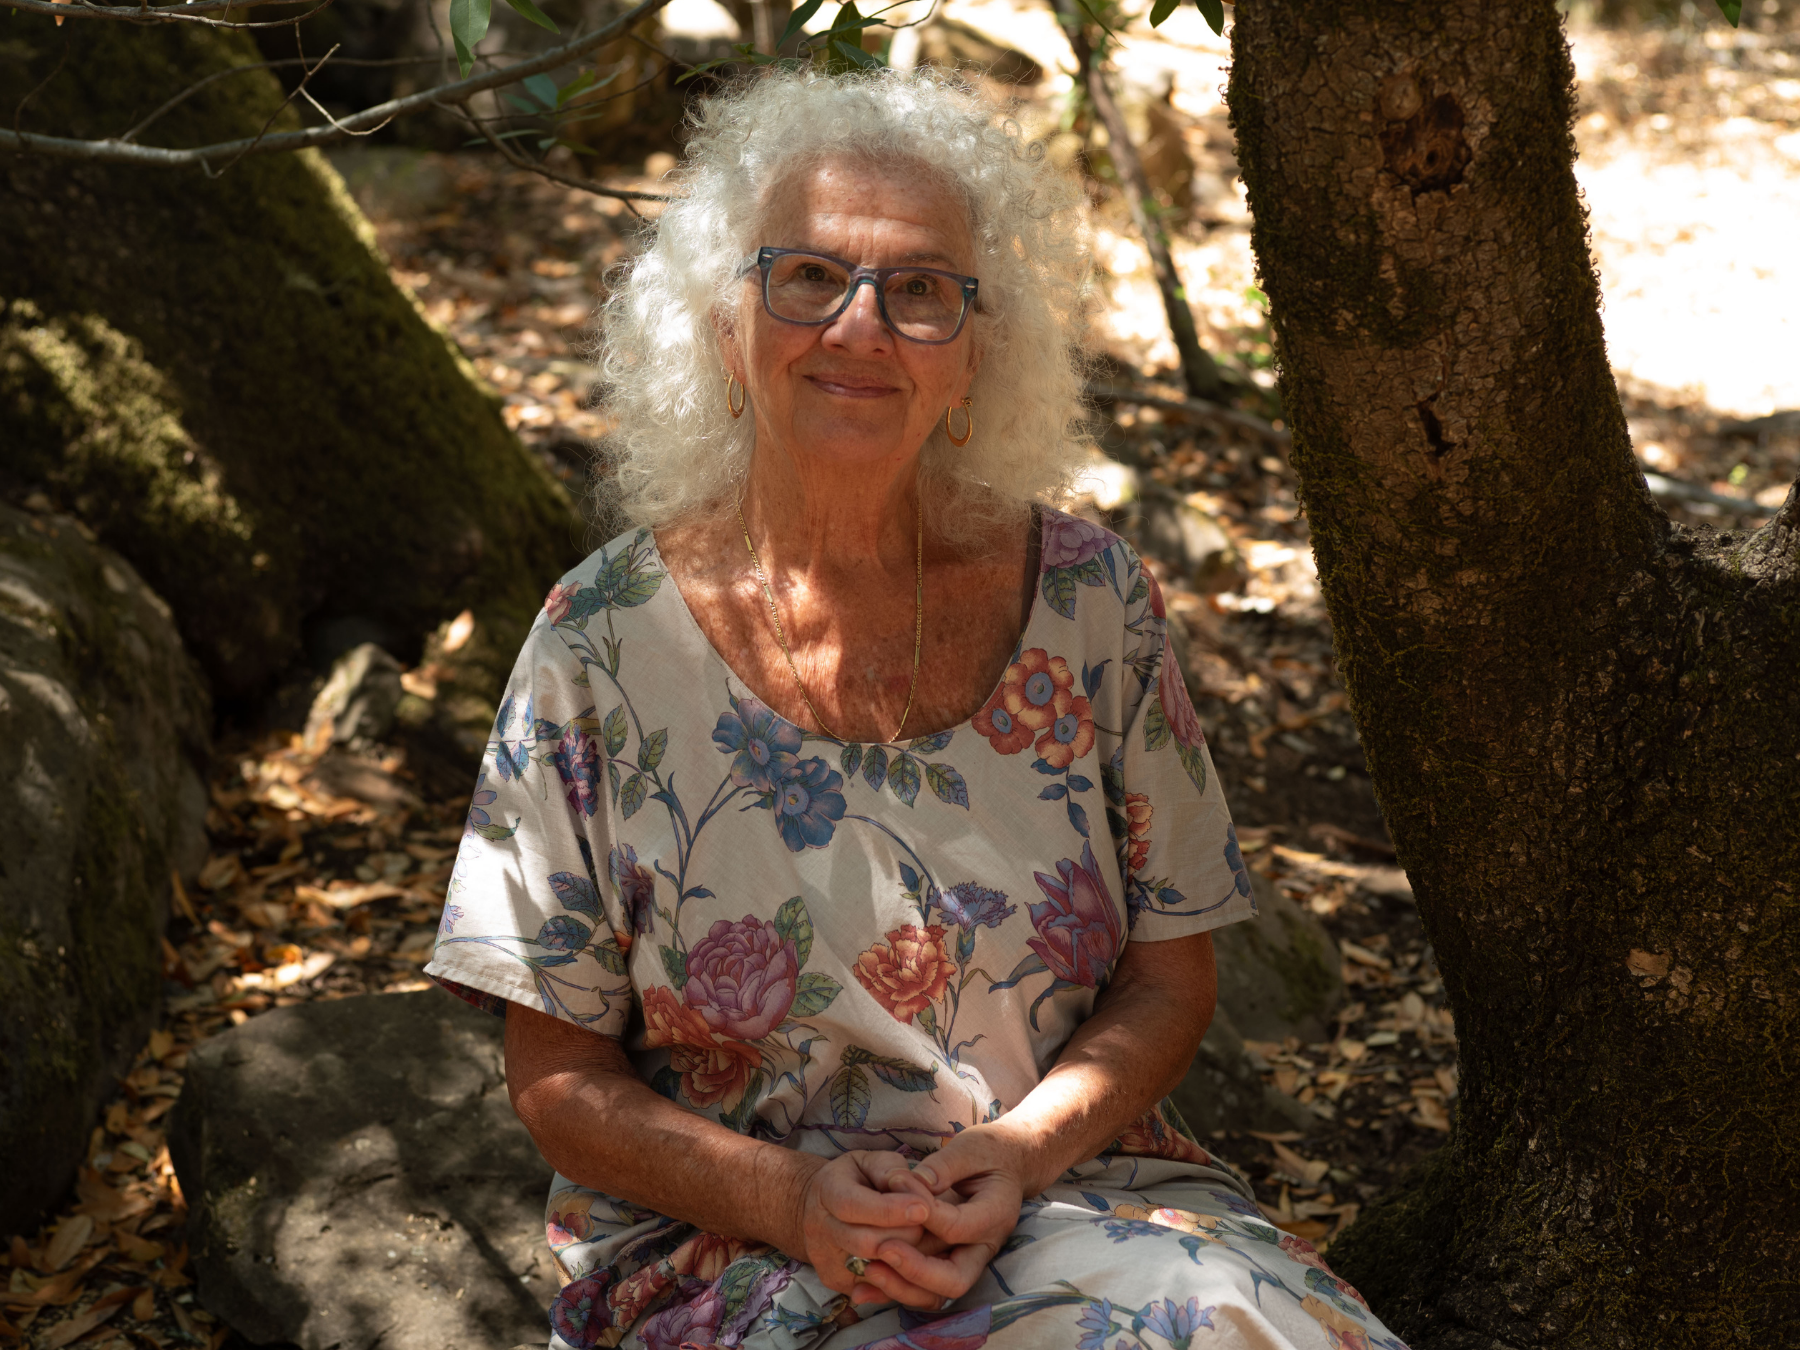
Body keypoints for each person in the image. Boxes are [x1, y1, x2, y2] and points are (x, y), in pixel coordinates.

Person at [426, 68, 1404, 1350]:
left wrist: (1020, 1148)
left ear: (977, 359)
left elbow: (1173, 977)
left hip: (1080, 1198)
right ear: (728, 322)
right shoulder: (595, 645)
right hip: (735, 1249)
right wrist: (792, 1198)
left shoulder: (1091, 600)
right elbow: (556, 1081)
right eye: (809, 277)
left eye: (922, 292)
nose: (859, 329)